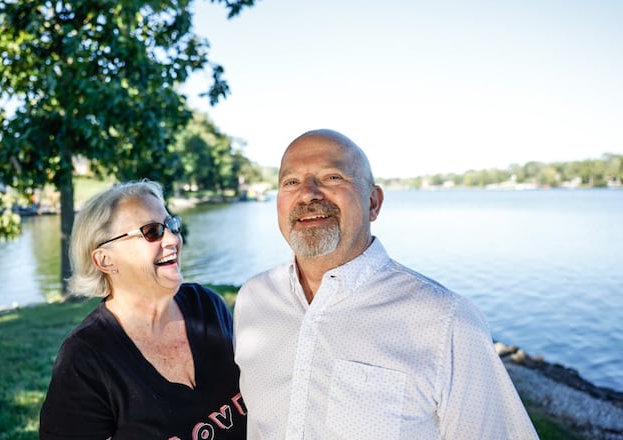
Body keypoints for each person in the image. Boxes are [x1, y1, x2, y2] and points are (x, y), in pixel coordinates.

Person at [234, 129, 538, 439]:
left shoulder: (447, 321)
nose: (308, 193)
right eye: (291, 182)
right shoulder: (253, 300)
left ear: (374, 202)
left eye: (332, 178)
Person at [39, 180, 247, 439]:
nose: (172, 239)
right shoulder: (86, 357)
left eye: (171, 225)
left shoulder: (206, 306)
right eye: (152, 231)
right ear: (105, 259)